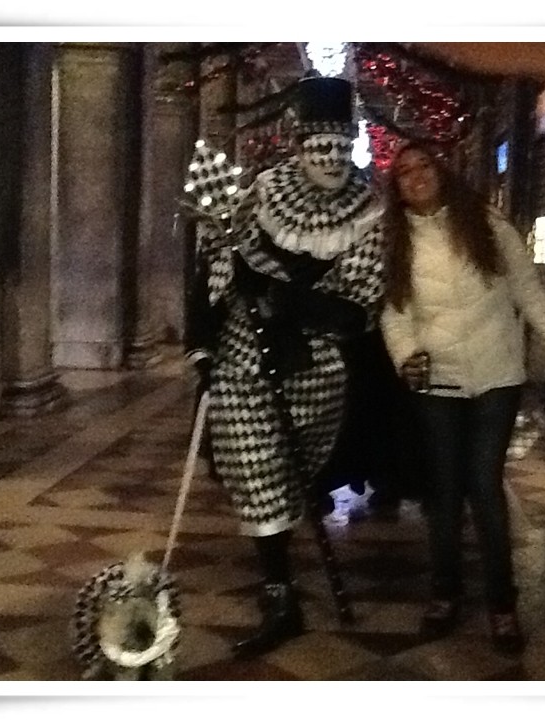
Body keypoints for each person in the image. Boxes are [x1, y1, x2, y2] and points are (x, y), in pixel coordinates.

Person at [183, 76, 384, 659]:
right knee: (255, 469)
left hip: (317, 363)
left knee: (292, 472)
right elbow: (215, 265)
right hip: (243, 357)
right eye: (319, 146)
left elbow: (358, 308)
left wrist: (285, 296)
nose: (330, 158)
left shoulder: (368, 213)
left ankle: (288, 561)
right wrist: (203, 347)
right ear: (298, 146)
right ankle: (280, 594)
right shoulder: (260, 194)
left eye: (340, 147)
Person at [379, 141, 545, 655]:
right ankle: (445, 593)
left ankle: (501, 603)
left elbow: (529, 292)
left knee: (485, 485)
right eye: (404, 172)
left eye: (423, 165)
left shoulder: (488, 226)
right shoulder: (397, 241)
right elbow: (394, 310)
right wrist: (406, 354)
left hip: (497, 376)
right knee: (444, 492)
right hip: (438, 381)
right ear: (397, 188)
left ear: (440, 170)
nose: (416, 176)